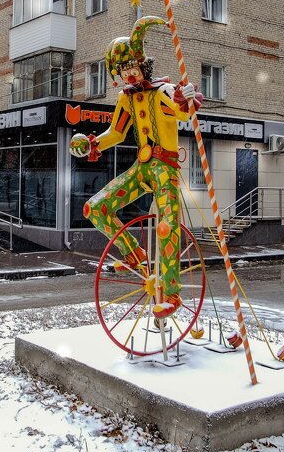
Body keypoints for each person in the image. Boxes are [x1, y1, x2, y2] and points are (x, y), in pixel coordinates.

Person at [69, 16, 202, 320]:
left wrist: (186, 98)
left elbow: (182, 113)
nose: (128, 74)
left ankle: (171, 293)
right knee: (96, 208)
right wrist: (92, 145)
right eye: (122, 70)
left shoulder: (163, 91)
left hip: (164, 170)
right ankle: (133, 252)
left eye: (131, 67)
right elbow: (116, 133)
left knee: (166, 225)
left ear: (143, 64)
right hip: (142, 170)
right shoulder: (125, 98)